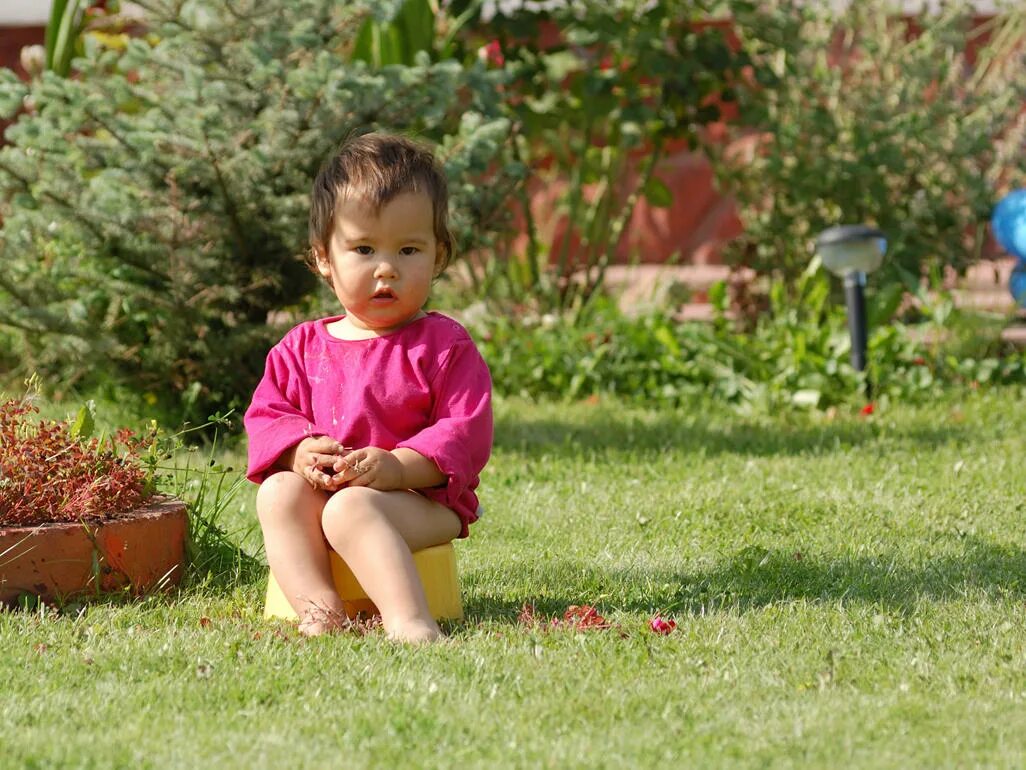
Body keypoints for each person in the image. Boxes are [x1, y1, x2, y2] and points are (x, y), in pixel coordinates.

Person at [244, 133, 492, 642]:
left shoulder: (443, 345)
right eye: (363, 248)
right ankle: (319, 610)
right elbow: (268, 416)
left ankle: (408, 620)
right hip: (330, 493)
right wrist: (298, 454)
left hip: (424, 501)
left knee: (351, 508)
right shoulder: (300, 347)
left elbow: (464, 434)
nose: (387, 269)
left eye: (408, 249)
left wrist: (397, 467)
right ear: (323, 258)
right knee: (278, 495)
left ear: (438, 254)